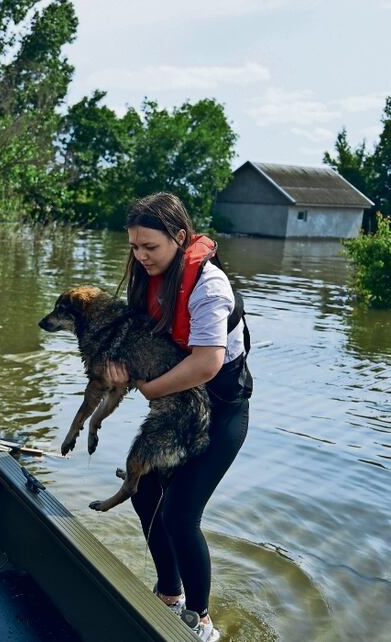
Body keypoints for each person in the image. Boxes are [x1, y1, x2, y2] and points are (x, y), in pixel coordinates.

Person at [104, 192, 252, 642]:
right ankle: (170, 594)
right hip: (179, 409)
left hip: (222, 411)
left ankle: (201, 620)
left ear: (180, 238)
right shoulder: (146, 277)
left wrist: (147, 387)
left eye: (150, 247)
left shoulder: (209, 286)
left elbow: (206, 363)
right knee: (144, 490)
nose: (140, 256)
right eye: (133, 246)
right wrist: (119, 368)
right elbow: (134, 337)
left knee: (180, 515)